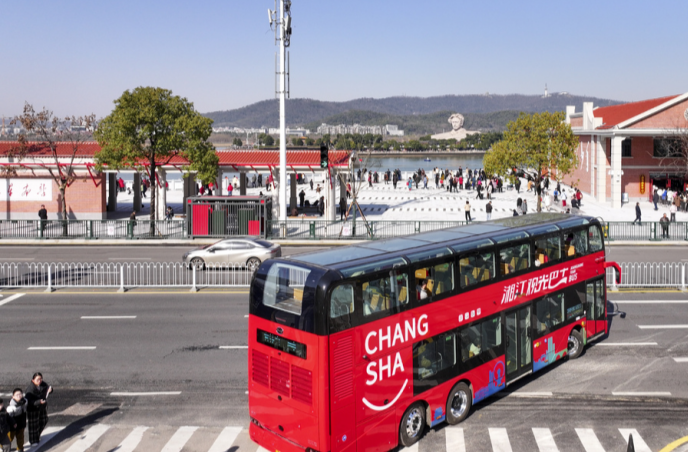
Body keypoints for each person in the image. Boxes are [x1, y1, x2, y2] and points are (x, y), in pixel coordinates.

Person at [25, 373, 52, 446]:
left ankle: (37, 435)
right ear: (33, 380)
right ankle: (33, 440)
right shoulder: (30, 389)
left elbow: (48, 388)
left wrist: (50, 390)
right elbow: (28, 402)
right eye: (38, 379)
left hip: (42, 406)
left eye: (41, 379)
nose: (39, 381)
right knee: (33, 425)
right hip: (33, 409)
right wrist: (38, 402)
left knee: (44, 420)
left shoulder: (43, 384)